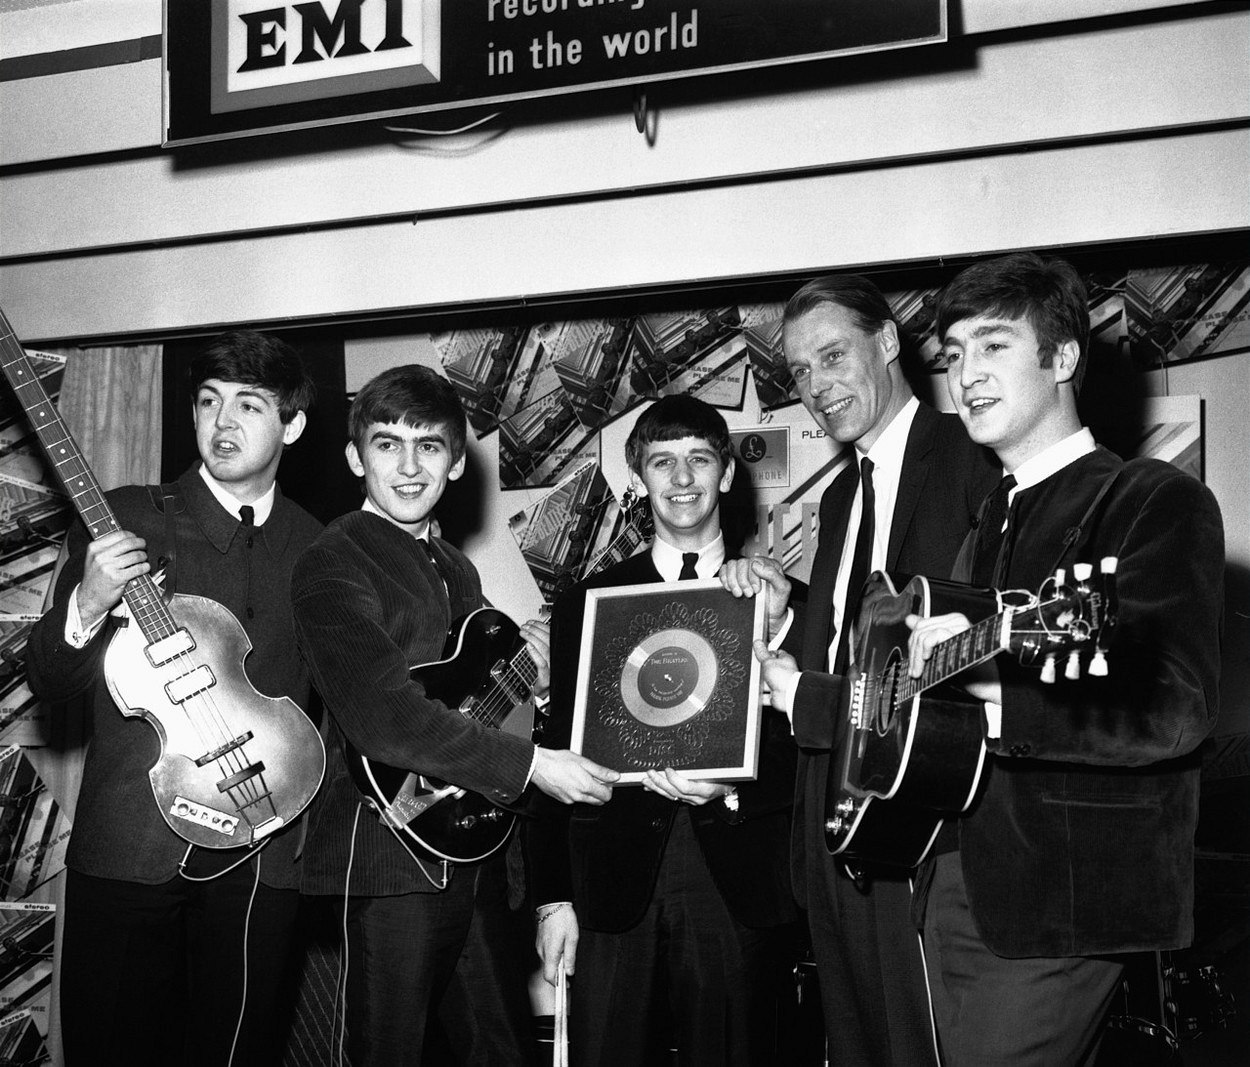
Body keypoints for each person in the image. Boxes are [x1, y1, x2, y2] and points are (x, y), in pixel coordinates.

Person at [905, 252, 1224, 1064]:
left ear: (1064, 357)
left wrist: (997, 690)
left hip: (1063, 902)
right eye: (954, 354)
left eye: (994, 345)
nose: (965, 375)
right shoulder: (986, 525)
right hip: (954, 884)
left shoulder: (1153, 498)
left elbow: (1172, 705)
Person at [290, 364, 619, 1067]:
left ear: (458, 462)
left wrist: (534, 680)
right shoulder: (333, 560)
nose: (409, 467)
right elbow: (385, 717)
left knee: (501, 1050)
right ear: (355, 457)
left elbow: (481, 705)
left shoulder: (454, 566)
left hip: (473, 850)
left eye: (429, 446)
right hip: (386, 859)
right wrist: (532, 764)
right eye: (387, 444)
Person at [721, 275, 999, 1066]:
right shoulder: (845, 493)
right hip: (831, 823)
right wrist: (787, 620)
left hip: (917, 828)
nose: (816, 385)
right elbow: (850, 641)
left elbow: (979, 643)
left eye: (833, 356)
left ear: (888, 341)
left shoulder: (971, 456)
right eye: (800, 371)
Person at [25, 331, 323, 1065]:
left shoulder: (321, 547)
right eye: (209, 402)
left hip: (261, 855)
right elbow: (49, 680)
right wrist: (88, 601)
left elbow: (347, 702)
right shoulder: (125, 514)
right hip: (128, 852)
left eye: (249, 405)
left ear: (291, 425)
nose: (223, 422)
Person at [525, 394, 800, 1067]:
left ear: (727, 474)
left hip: (734, 878)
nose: (681, 478)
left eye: (699, 459)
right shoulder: (586, 603)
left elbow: (811, 750)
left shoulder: (780, 597)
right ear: (639, 477)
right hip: (611, 882)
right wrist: (552, 899)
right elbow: (551, 751)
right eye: (662, 461)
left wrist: (732, 787)